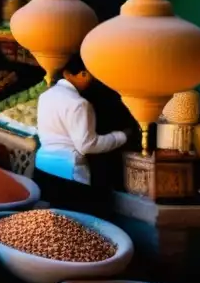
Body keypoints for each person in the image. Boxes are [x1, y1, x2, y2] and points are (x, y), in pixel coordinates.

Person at [35, 54, 129, 191]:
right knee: (73, 212)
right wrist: (121, 137)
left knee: (49, 211)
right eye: (87, 74)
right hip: (68, 170)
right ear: (80, 74)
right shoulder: (79, 104)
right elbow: (86, 145)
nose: (90, 79)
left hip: (42, 164)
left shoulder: (46, 95)